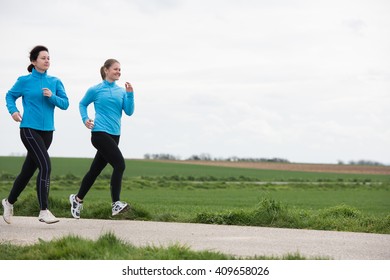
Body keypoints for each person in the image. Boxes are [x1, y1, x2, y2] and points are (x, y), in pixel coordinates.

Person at [2, 45, 69, 224]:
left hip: (48, 132)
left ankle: (8, 202)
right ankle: (44, 210)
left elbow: (65, 104)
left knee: (27, 171)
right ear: (33, 61)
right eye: (43, 58)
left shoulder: (55, 81)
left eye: (48, 57)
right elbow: (9, 96)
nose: (47, 60)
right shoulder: (24, 81)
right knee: (45, 166)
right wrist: (13, 111)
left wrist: (52, 96)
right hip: (29, 129)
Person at [69, 58, 134, 219]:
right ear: (106, 70)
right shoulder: (96, 89)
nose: (118, 72)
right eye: (115, 69)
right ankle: (116, 204)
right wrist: (85, 119)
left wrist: (130, 95)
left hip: (115, 135)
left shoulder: (121, 91)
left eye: (120, 69)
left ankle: (77, 199)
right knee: (119, 164)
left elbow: (129, 111)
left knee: (95, 171)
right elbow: (82, 104)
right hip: (99, 133)